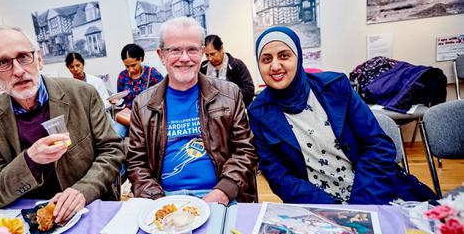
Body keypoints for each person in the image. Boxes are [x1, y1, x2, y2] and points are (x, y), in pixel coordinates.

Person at [248, 26, 437, 204]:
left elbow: (378, 145)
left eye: (284, 56)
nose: (275, 66)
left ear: (298, 57)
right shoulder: (258, 113)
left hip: (375, 192)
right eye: (266, 59)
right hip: (318, 206)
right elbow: (279, 177)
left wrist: (361, 205)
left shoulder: (335, 87)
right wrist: (335, 209)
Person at [0, 26, 124, 223]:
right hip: (31, 220)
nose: (19, 71)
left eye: (23, 57)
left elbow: (113, 150)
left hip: (89, 211)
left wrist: (82, 190)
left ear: (39, 59)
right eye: (3, 62)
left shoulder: (82, 94)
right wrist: (30, 160)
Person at [126, 17, 258, 205]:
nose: (185, 58)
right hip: (164, 196)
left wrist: (223, 192)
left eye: (192, 49)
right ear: (161, 55)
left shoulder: (230, 94)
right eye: (175, 50)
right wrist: (158, 201)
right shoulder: (142, 105)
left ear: (202, 52)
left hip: (221, 195)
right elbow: (137, 163)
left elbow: (245, 150)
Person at [65, 52, 127, 138]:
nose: (75, 69)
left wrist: (94, 109)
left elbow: (106, 102)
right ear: (68, 68)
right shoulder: (68, 86)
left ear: (83, 64)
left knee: (121, 130)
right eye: (72, 67)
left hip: (100, 118)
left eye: (78, 65)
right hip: (83, 124)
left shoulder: (96, 81)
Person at [200, 34, 255, 106]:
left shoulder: (237, 65)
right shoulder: (203, 68)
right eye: (207, 55)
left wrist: (228, 97)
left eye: (213, 54)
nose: (210, 58)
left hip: (234, 110)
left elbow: (249, 91)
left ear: (221, 49)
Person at [114, 44, 163, 109]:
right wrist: (116, 102)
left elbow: (165, 93)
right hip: (129, 117)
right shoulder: (122, 76)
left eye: (133, 65)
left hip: (150, 115)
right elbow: (120, 99)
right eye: (127, 66)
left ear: (140, 59)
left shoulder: (152, 74)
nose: (131, 70)